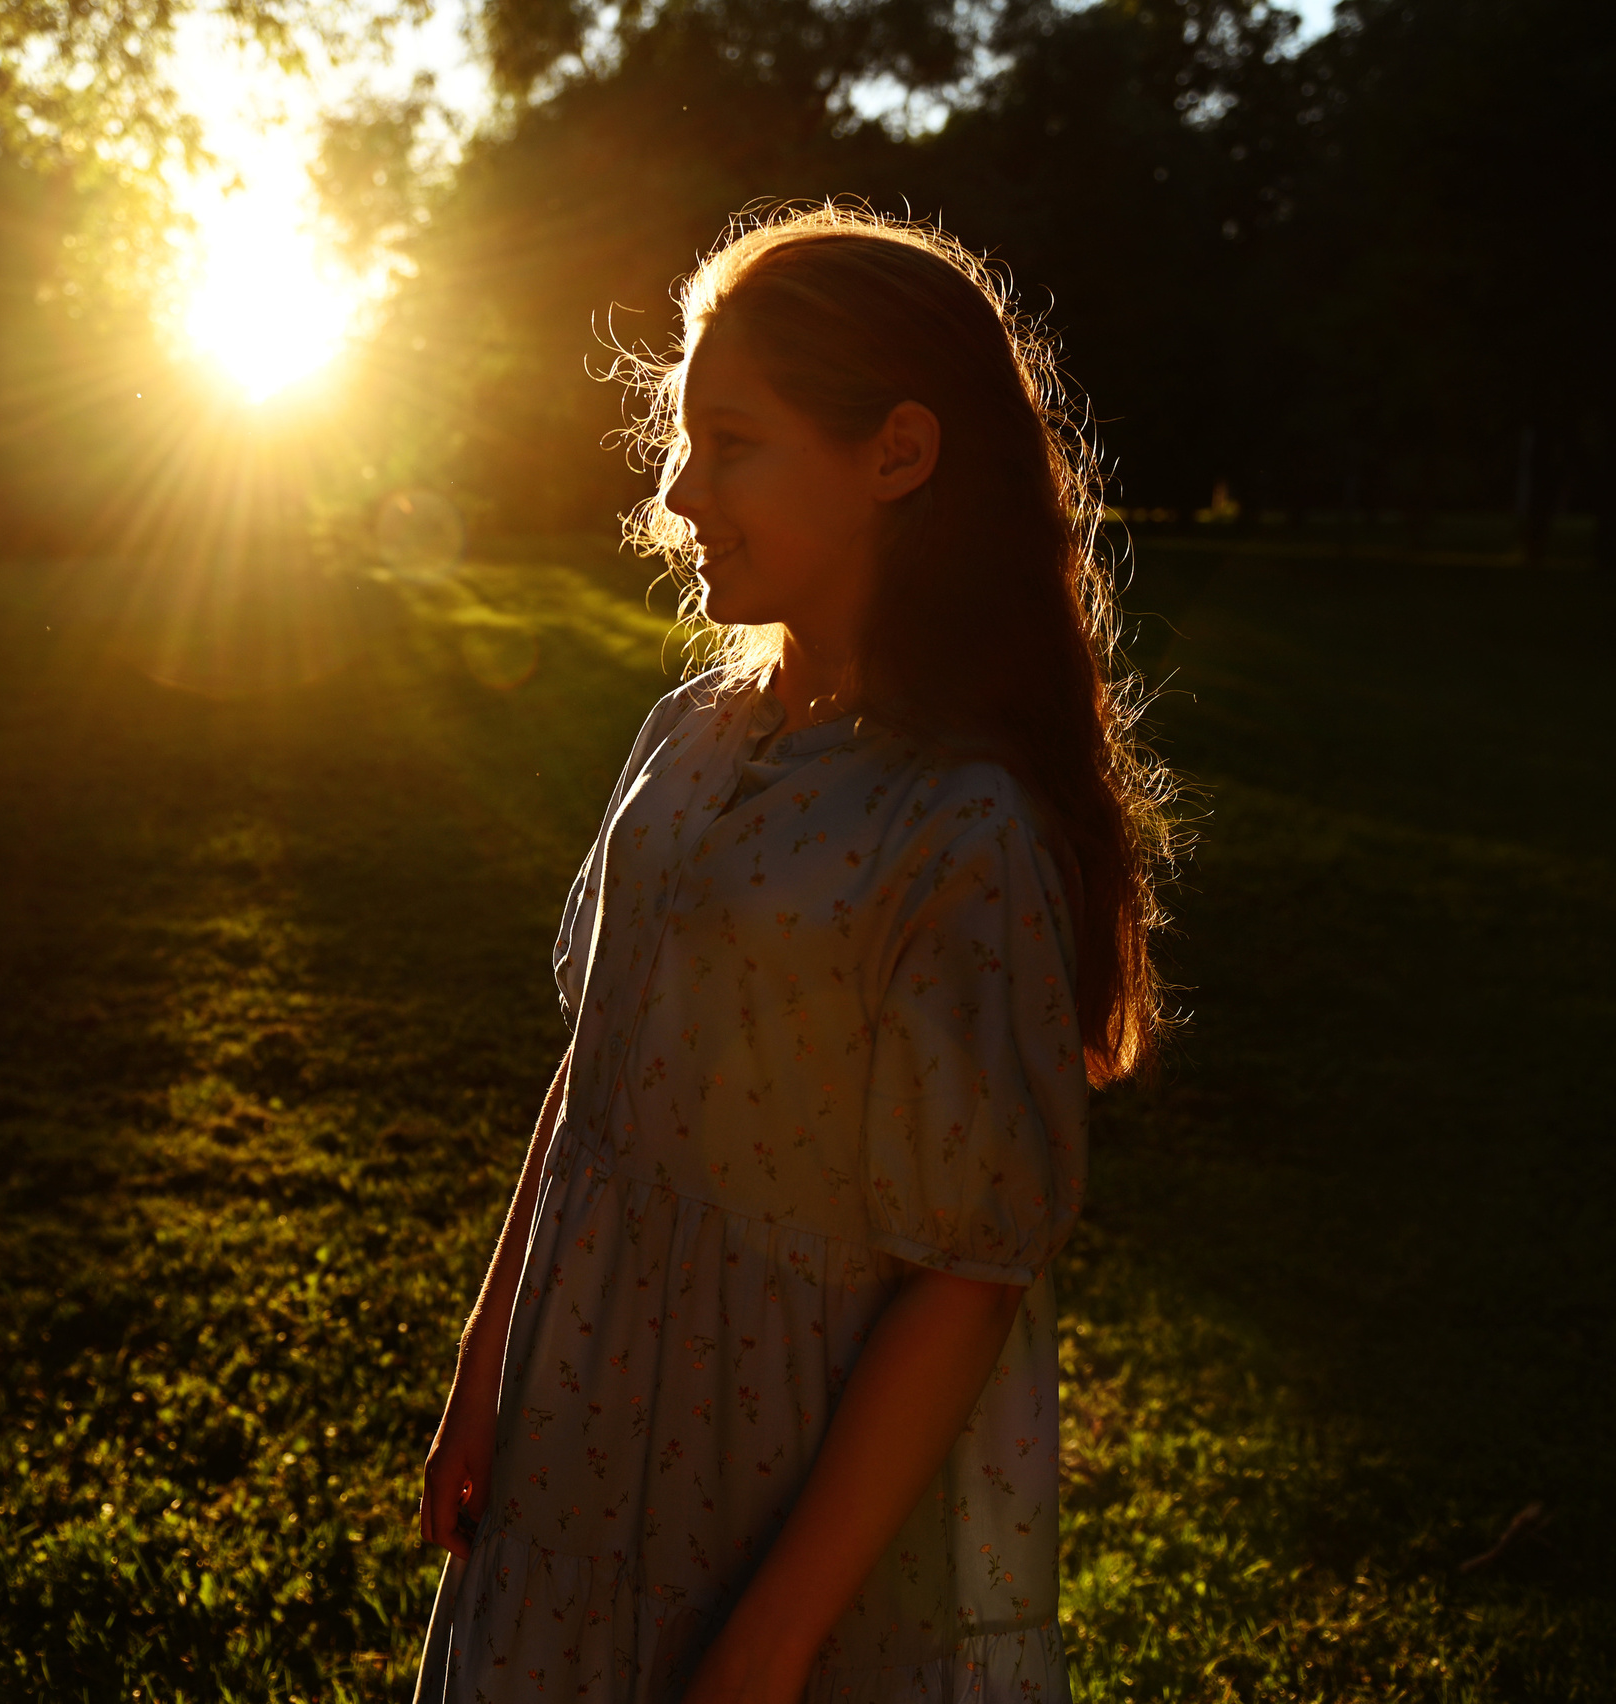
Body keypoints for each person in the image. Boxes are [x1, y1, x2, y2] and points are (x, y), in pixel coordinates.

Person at [413, 203, 1176, 1704]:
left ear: (896, 454)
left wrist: (767, 1647)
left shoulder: (962, 824)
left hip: (765, 1473)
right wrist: (485, 1372)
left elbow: (967, 1275)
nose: (680, 492)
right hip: (577, 1418)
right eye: (685, 443)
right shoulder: (690, 739)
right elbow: (599, 1068)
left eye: (732, 444)